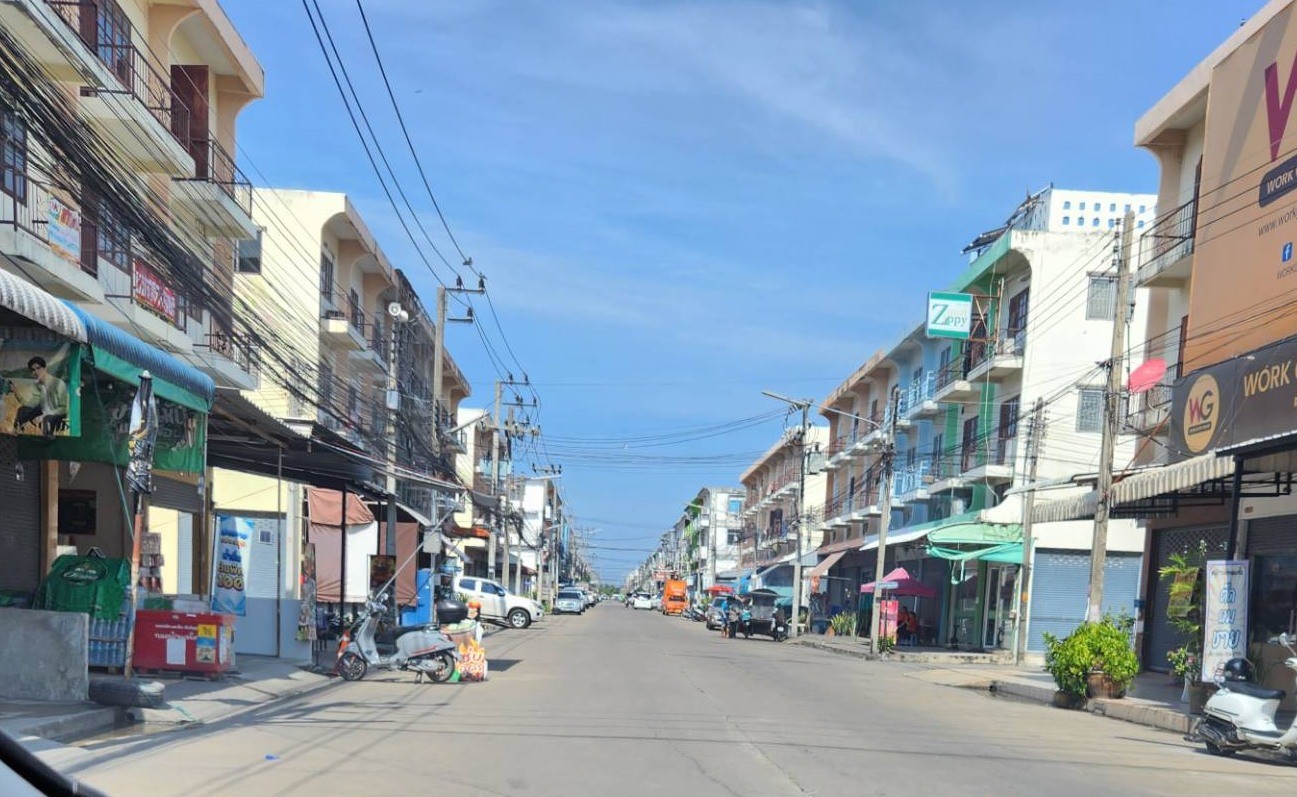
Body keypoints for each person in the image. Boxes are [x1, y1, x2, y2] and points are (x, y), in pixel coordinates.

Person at [16, 356, 68, 437]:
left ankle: (48, 440)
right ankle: (18, 432)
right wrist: (16, 393)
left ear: (45, 368)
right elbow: (31, 404)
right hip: (42, 413)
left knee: (47, 419)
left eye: (38, 368)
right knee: (22, 410)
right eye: (33, 370)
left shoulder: (58, 383)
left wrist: (45, 415)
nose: (36, 372)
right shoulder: (39, 386)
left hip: (55, 416)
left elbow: (64, 408)